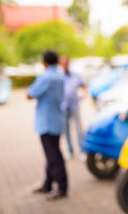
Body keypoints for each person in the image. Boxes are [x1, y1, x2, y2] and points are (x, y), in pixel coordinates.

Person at [27, 50, 67, 200]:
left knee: (54, 156)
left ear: (44, 62)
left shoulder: (46, 77)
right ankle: (47, 184)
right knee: (52, 155)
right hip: (57, 119)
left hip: (46, 122)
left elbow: (30, 94)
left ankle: (61, 188)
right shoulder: (60, 76)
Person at [59, 55, 85, 157]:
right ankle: (70, 151)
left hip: (75, 105)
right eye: (63, 62)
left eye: (66, 62)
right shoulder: (59, 76)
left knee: (79, 128)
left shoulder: (75, 75)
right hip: (64, 106)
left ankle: (82, 150)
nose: (65, 64)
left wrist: (83, 95)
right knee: (66, 130)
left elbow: (84, 85)